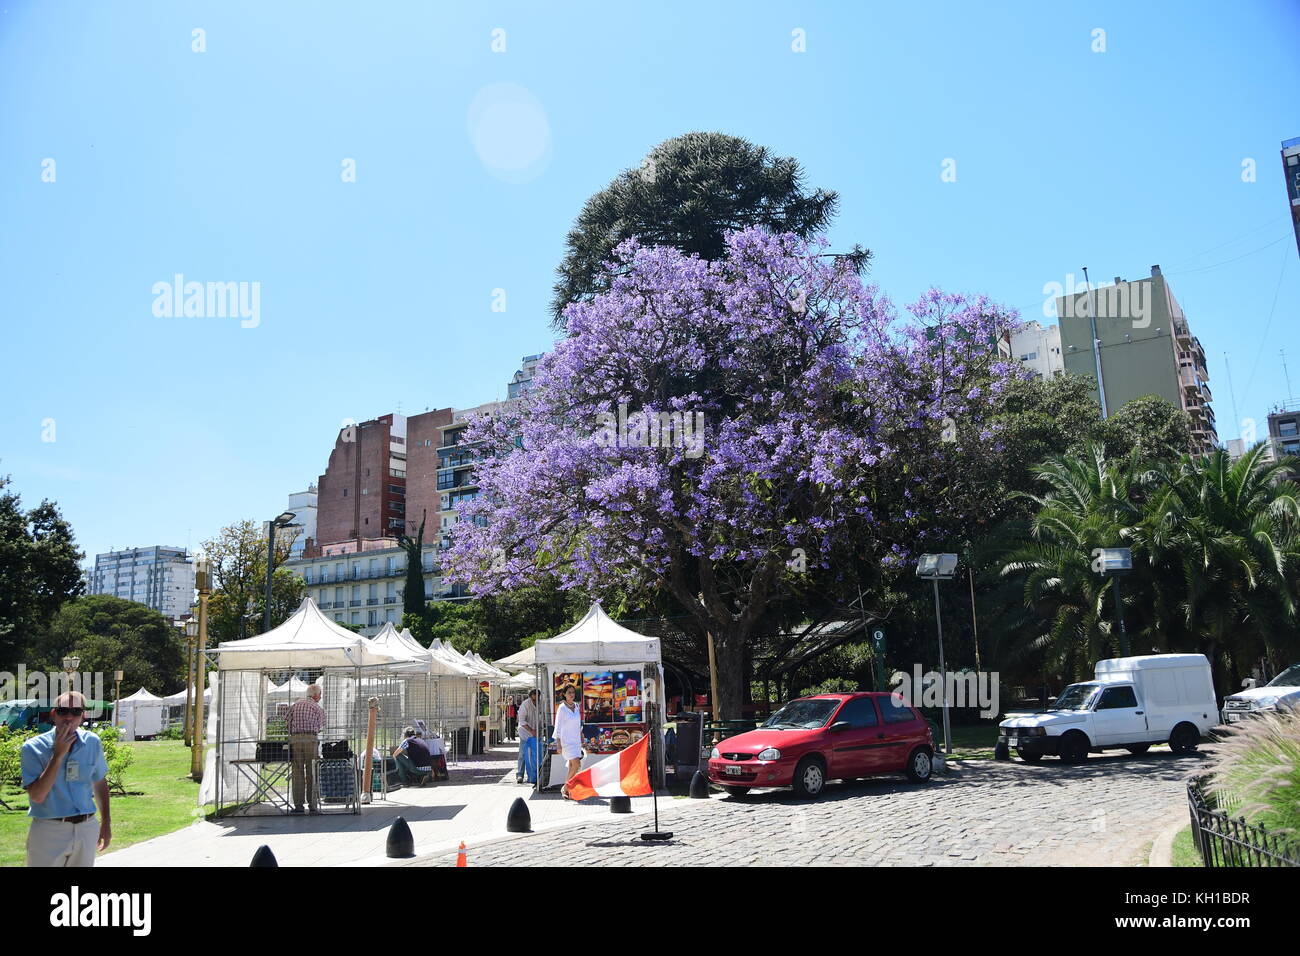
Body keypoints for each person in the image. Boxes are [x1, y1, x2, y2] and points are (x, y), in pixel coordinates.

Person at [20, 691, 111, 867]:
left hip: (86, 827)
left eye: (76, 711)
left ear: (83, 715)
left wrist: (106, 822)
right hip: (50, 830)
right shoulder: (33, 748)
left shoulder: (93, 742)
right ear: (54, 714)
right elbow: (37, 796)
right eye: (63, 711)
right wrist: (58, 755)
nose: (69, 717)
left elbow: (99, 782)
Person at [287, 683, 325, 814]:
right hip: (311, 739)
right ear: (315, 695)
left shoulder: (295, 705)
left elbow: (287, 721)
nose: (320, 697)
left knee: (297, 772)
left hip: (296, 739)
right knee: (312, 771)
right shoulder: (318, 708)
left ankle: (298, 806)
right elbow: (320, 726)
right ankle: (312, 804)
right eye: (320, 694)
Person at [554, 684, 584, 799]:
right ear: (564, 694)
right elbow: (558, 726)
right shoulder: (561, 708)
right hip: (566, 741)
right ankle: (566, 788)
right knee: (576, 764)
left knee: (573, 766)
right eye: (569, 693)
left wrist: (581, 735)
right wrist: (558, 743)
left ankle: (567, 789)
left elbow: (578, 723)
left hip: (576, 740)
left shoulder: (576, 706)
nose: (572, 695)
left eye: (573, 692)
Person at [516, 689, 540, 784]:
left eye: (537, 699)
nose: (535, 701)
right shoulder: (525, 705)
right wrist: (531, 730)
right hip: (525, 733)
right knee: (522, 753)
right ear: (530, 697)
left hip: (536, 733)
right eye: (534, 699)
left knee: (535, 754)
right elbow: (522, 721)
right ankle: (520, 774)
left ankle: (535, 774)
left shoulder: (541, 703)